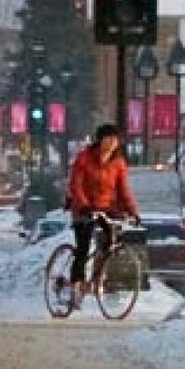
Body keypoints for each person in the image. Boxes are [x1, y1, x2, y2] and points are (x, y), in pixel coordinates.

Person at [65, 122, 139, 297]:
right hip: (84, 208)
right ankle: (76, 283)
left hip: (106, 207)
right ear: (100, 140)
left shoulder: (118, 163)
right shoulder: (84, 158)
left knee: (112, 239)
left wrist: (132, 211)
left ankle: (99, 274)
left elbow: (123, 190)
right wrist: (83, 206)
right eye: (109, 139)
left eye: (116, 140)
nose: (113, 143)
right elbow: (76, 185)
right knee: (83, 246)